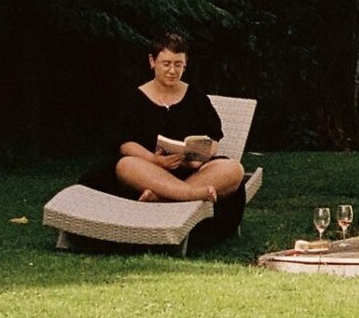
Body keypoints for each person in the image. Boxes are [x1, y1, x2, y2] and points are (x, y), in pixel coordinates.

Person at [79, 32, 247, 216]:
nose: (172, 71)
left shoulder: (196, 96)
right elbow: (124, 142)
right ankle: (191, 195)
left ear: (185, 64)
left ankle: (163, 199)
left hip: (192, 172)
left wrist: (198, 157)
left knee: (233, 169)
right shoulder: (135, 98)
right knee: (126, 165)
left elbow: (214, 137)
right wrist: (154, 160)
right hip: (149, 172)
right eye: (166, 64)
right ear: (152, 61)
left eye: (178, 64)